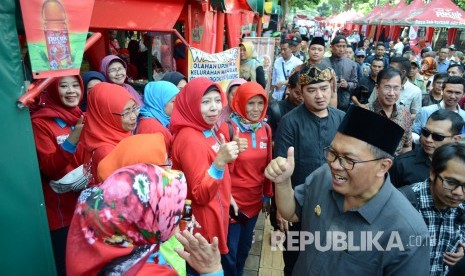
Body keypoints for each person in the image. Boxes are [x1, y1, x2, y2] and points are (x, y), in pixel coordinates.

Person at [265, 105, 431, 275]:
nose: (335, 165)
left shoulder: (407, 233)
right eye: (333, 153)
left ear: (383, 166)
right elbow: (291, 213)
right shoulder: (324, 176)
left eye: (349, 160)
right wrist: (283, 183)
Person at [66, 163, 224, 275]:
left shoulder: (94, 242)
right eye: (167, 208)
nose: (179, 213)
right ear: (141, 219)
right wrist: (212, 270)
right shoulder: (154, 273)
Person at [273, 64, 345, 275]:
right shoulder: (290, 122)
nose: (319, 95)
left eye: (324, 88)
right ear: (301, 92)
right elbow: (280, 166)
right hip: (298, 206)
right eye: (312, 90)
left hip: (335, 205)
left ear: (331, 87)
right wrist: (281, 207)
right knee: (294, 262)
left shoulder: (341, 118)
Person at [170, 77, 239, 270]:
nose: (214, 108)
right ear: (191, 103)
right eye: (205, 102)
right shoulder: (190, 138)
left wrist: (228, 194)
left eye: (217, 100)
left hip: (215, 214)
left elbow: (215, 171)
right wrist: (220, 161)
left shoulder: (206, 130)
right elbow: (200, 193)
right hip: (203, 226)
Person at [31, 75, 87, 276]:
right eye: (64, 86)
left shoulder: (80, 115)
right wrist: (72, 140)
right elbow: (50, 168)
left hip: (86, 210)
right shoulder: (41, 123)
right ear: (53, 90)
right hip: (62, 216)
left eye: (75, 85)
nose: (71, 91)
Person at [219, 82, 273, 275]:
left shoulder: (265, 129)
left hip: (255, 202)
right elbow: (220, 169)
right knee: (229, 252)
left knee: (244, 250)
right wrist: (232, 152)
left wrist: (267, 195)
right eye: (251, 103)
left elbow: (268, 164)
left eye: (260, 103)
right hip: (232, 203)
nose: (256, 109)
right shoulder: (227, 129)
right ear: (240, 102)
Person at [399, 143, 465, 276]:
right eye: (451, 182)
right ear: (433, 173)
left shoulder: (461, 208)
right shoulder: (402, 204)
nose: (459, 192)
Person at [80, 83, 138, 185]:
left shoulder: (119, 131)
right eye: (126, 112)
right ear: (105, 114)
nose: (133, 116)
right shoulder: (106, 152)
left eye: (134, 108)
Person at [390, 109, 464, 188]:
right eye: (425, 132)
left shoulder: (462, 165)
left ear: (455, 139)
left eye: (437, 136)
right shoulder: (401, 164)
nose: (428, 139)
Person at [367, 67, 412, 155]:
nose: (391, 93)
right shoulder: (364, 113)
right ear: (377, 88)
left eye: (396, 88)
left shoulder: (405, 114)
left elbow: (407, 146)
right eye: (387, 87)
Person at [412, 76, 465, 144]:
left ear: (463, 94)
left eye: (457, 93)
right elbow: (414, 132)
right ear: (442, 91)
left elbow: (463, 140)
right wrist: (423, 140)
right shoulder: (426, 111)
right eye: (449, 92)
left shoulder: (464, 116)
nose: (452, 96)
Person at [135, 81, 180, 153]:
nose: (178, 104)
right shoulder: (153, 129)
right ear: (159, 102)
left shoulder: (159, 118)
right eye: (174, 101)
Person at [321, 35, 358, 111]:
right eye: (338, 46)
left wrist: (347, 85)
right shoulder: (323, 62)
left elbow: (355, 83)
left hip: (343, 101)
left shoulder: (352, 64)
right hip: (325, 100)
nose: (341, 49)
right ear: (331, 47)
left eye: (344, 46)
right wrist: (329, 84)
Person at [266, 71, 303, 138]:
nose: (301, 98)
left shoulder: (310, 109)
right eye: (297, 93)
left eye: (304, 94)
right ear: (289, 88)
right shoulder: (275, 110)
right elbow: (269, 138)